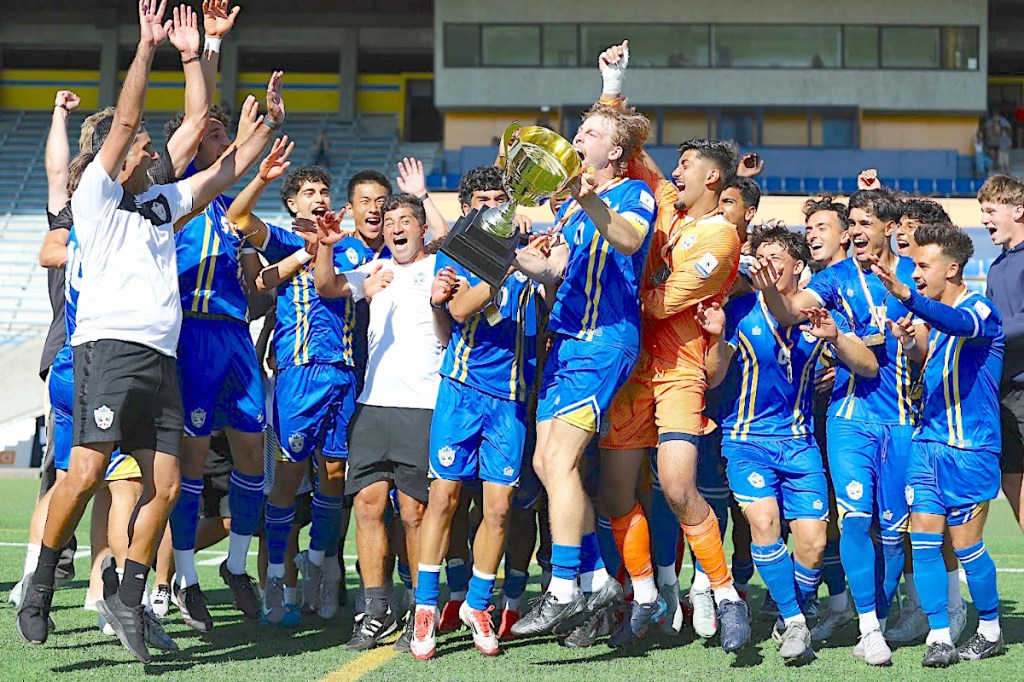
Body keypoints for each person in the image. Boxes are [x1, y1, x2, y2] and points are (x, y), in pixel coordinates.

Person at [15, 0, 285, 662]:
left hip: (163, 360)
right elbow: (132, 117)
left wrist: (266, 128)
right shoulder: (95, 199)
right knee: (83, 475)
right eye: (138, 147)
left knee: (165, 487)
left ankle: (129, 596)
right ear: (115, 159)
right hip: (108, 352)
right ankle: (41, 580)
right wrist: (147, 48)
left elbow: (221, 171)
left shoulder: (159, 204)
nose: (148, 150)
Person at [583, 41, 749, 651]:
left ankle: (726, 595)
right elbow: (619, 150)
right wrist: (612, 81)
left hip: (680, 369)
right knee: (614, 491)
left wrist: (631, 294)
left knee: (678, 487)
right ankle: (646, 598)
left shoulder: (720, 235)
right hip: (633, 368)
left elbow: (662, 301)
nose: (671, 175)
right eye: (671, 169)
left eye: (682, 169)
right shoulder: (668, 208)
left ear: (712, 179)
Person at [508, 65, 656, 638]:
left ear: (616, 152)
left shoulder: (632, 193)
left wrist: (586, 198)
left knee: (562, 462)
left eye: (590, 134)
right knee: (547, 463)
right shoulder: (571, 207)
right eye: (579, 132)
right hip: (567, 342)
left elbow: (629, 238)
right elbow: (552, 270)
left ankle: (566, 586)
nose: (577, 140)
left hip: (603, 341)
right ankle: (598, 580)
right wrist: (502, 248)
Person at [749, 189, 925, 666]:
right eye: (853, 224)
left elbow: (927, 347)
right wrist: (769, 288)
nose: (856, 232)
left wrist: (909, 340)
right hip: (850, 418)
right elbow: (788, 310)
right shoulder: (835, 279)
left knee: (893, 533)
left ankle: (880, 618)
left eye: (865, 223)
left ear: (890, 228)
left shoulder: (915, 275)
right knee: (854, 519)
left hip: (904, 420)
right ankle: (868, 628)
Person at [701, 225, 878, 661]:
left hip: (799, 444)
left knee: (814, 543)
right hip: (746, 441)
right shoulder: (740, 310)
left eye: (776, 257)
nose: (766, 264)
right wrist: (718, 338)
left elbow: (869, 365)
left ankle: (787, 612)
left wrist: (836, 341)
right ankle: (797, 623)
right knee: (763, 523)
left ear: (798, 267)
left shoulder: (817, 316)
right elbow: (713, 376)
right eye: (760, 256)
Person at [409, 170, 543, 660]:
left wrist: (538, 260)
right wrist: (508, 266)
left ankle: (479, 605)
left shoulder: (534, 247)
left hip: (510, 398)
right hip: (462, 390)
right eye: (484, 199)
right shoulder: (459, 251)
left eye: (500, 198)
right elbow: (461, 309)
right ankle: (426, 606)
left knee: (501, 509)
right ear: (469, 208)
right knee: (443, 499)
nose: (494, 206)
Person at [870, 223, 1006, 666]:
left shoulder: (980, 310)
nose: (914, 274)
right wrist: (911, 346)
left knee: (967, 547)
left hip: (970, 451)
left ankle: (990, 628)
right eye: (912, 267)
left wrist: (911, 301)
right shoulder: (934, 319)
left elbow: (960, 322)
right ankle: (940, 634)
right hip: (927, 444)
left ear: (952, 269)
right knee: (925, 541)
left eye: (923, 266)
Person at [314, 195, 444, 652]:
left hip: (423, 405)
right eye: (389, 222)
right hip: (372, 405)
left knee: (413, 512)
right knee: (368, 506)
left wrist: (426, 197)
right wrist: (327, 245)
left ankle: (418, 606)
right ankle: (375, 608)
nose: (395, 228)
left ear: (422, 228)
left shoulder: (439, 266)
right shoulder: (375, 269)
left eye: (406, 220)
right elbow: (326, 286)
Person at [979, 174, 1024, 534]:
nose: (984, 220)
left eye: (991, 210)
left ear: (1018, 211)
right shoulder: (996, 266)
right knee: (1011, 483)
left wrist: (978, 331)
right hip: (1003, 393)